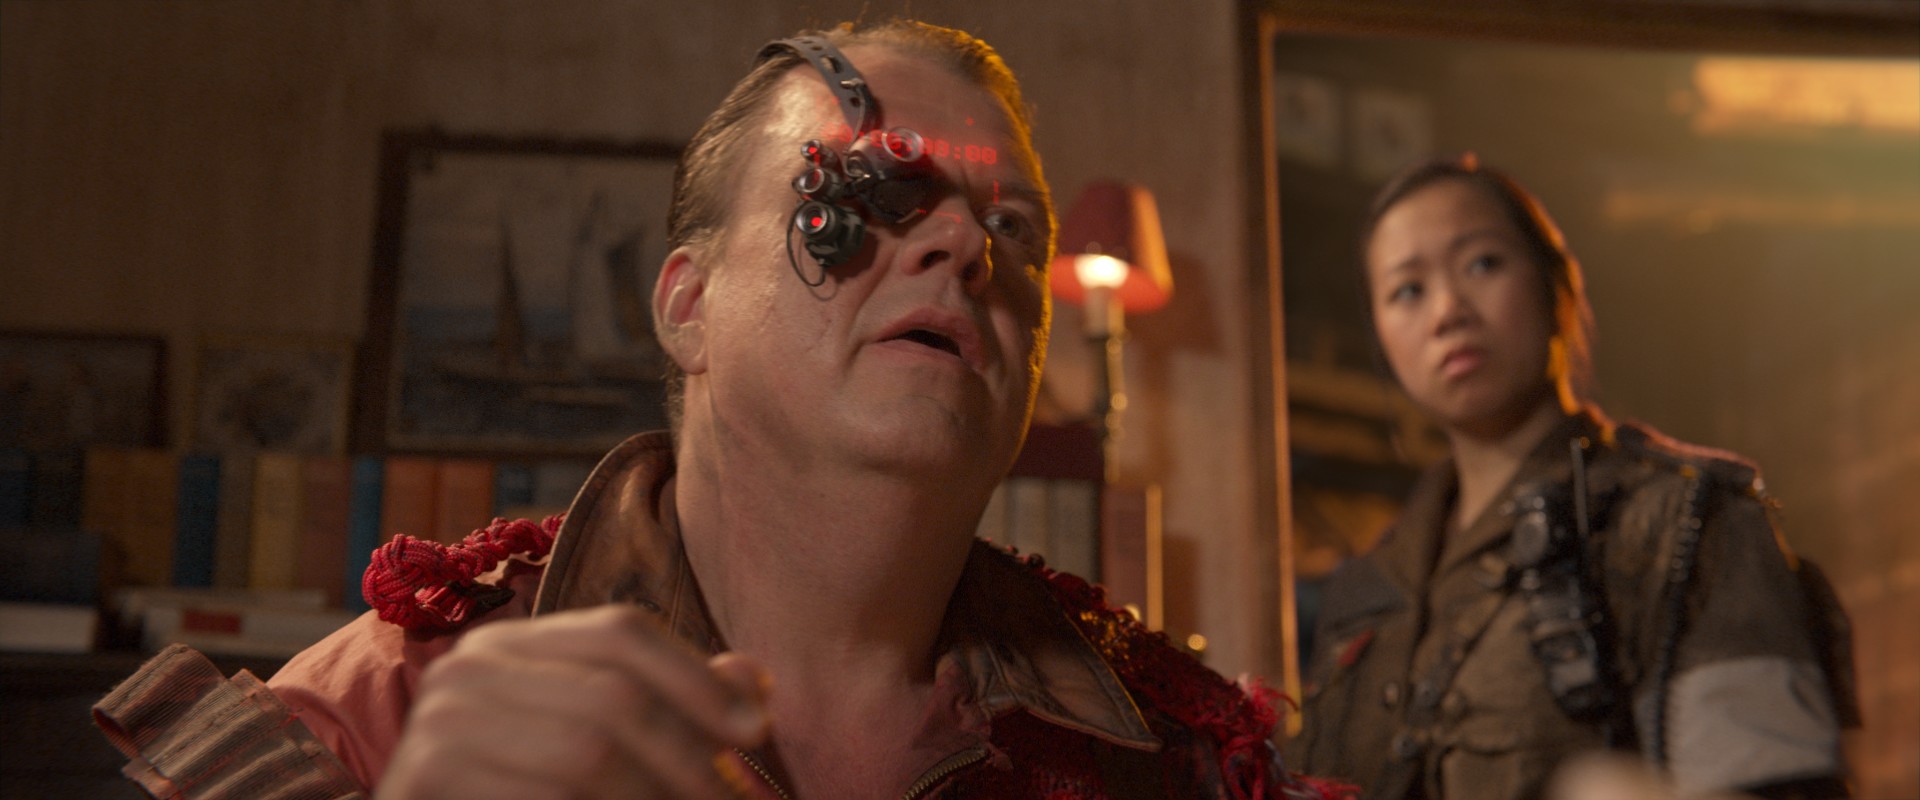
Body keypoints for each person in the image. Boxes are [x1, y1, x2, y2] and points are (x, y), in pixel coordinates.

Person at [92, 20, 1345, 800]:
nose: (969, 245)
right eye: (876, 193)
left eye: (1011, 228)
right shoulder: (394, 703)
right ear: (687, 305)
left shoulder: (1180, 753)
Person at [1282, 154, 1858, 800]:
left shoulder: (1683, 519)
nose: (1447, 311)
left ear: (1556, 286)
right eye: (1407, 291)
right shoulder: (1367, 590)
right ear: (1382, 338)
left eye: (1482, 263)